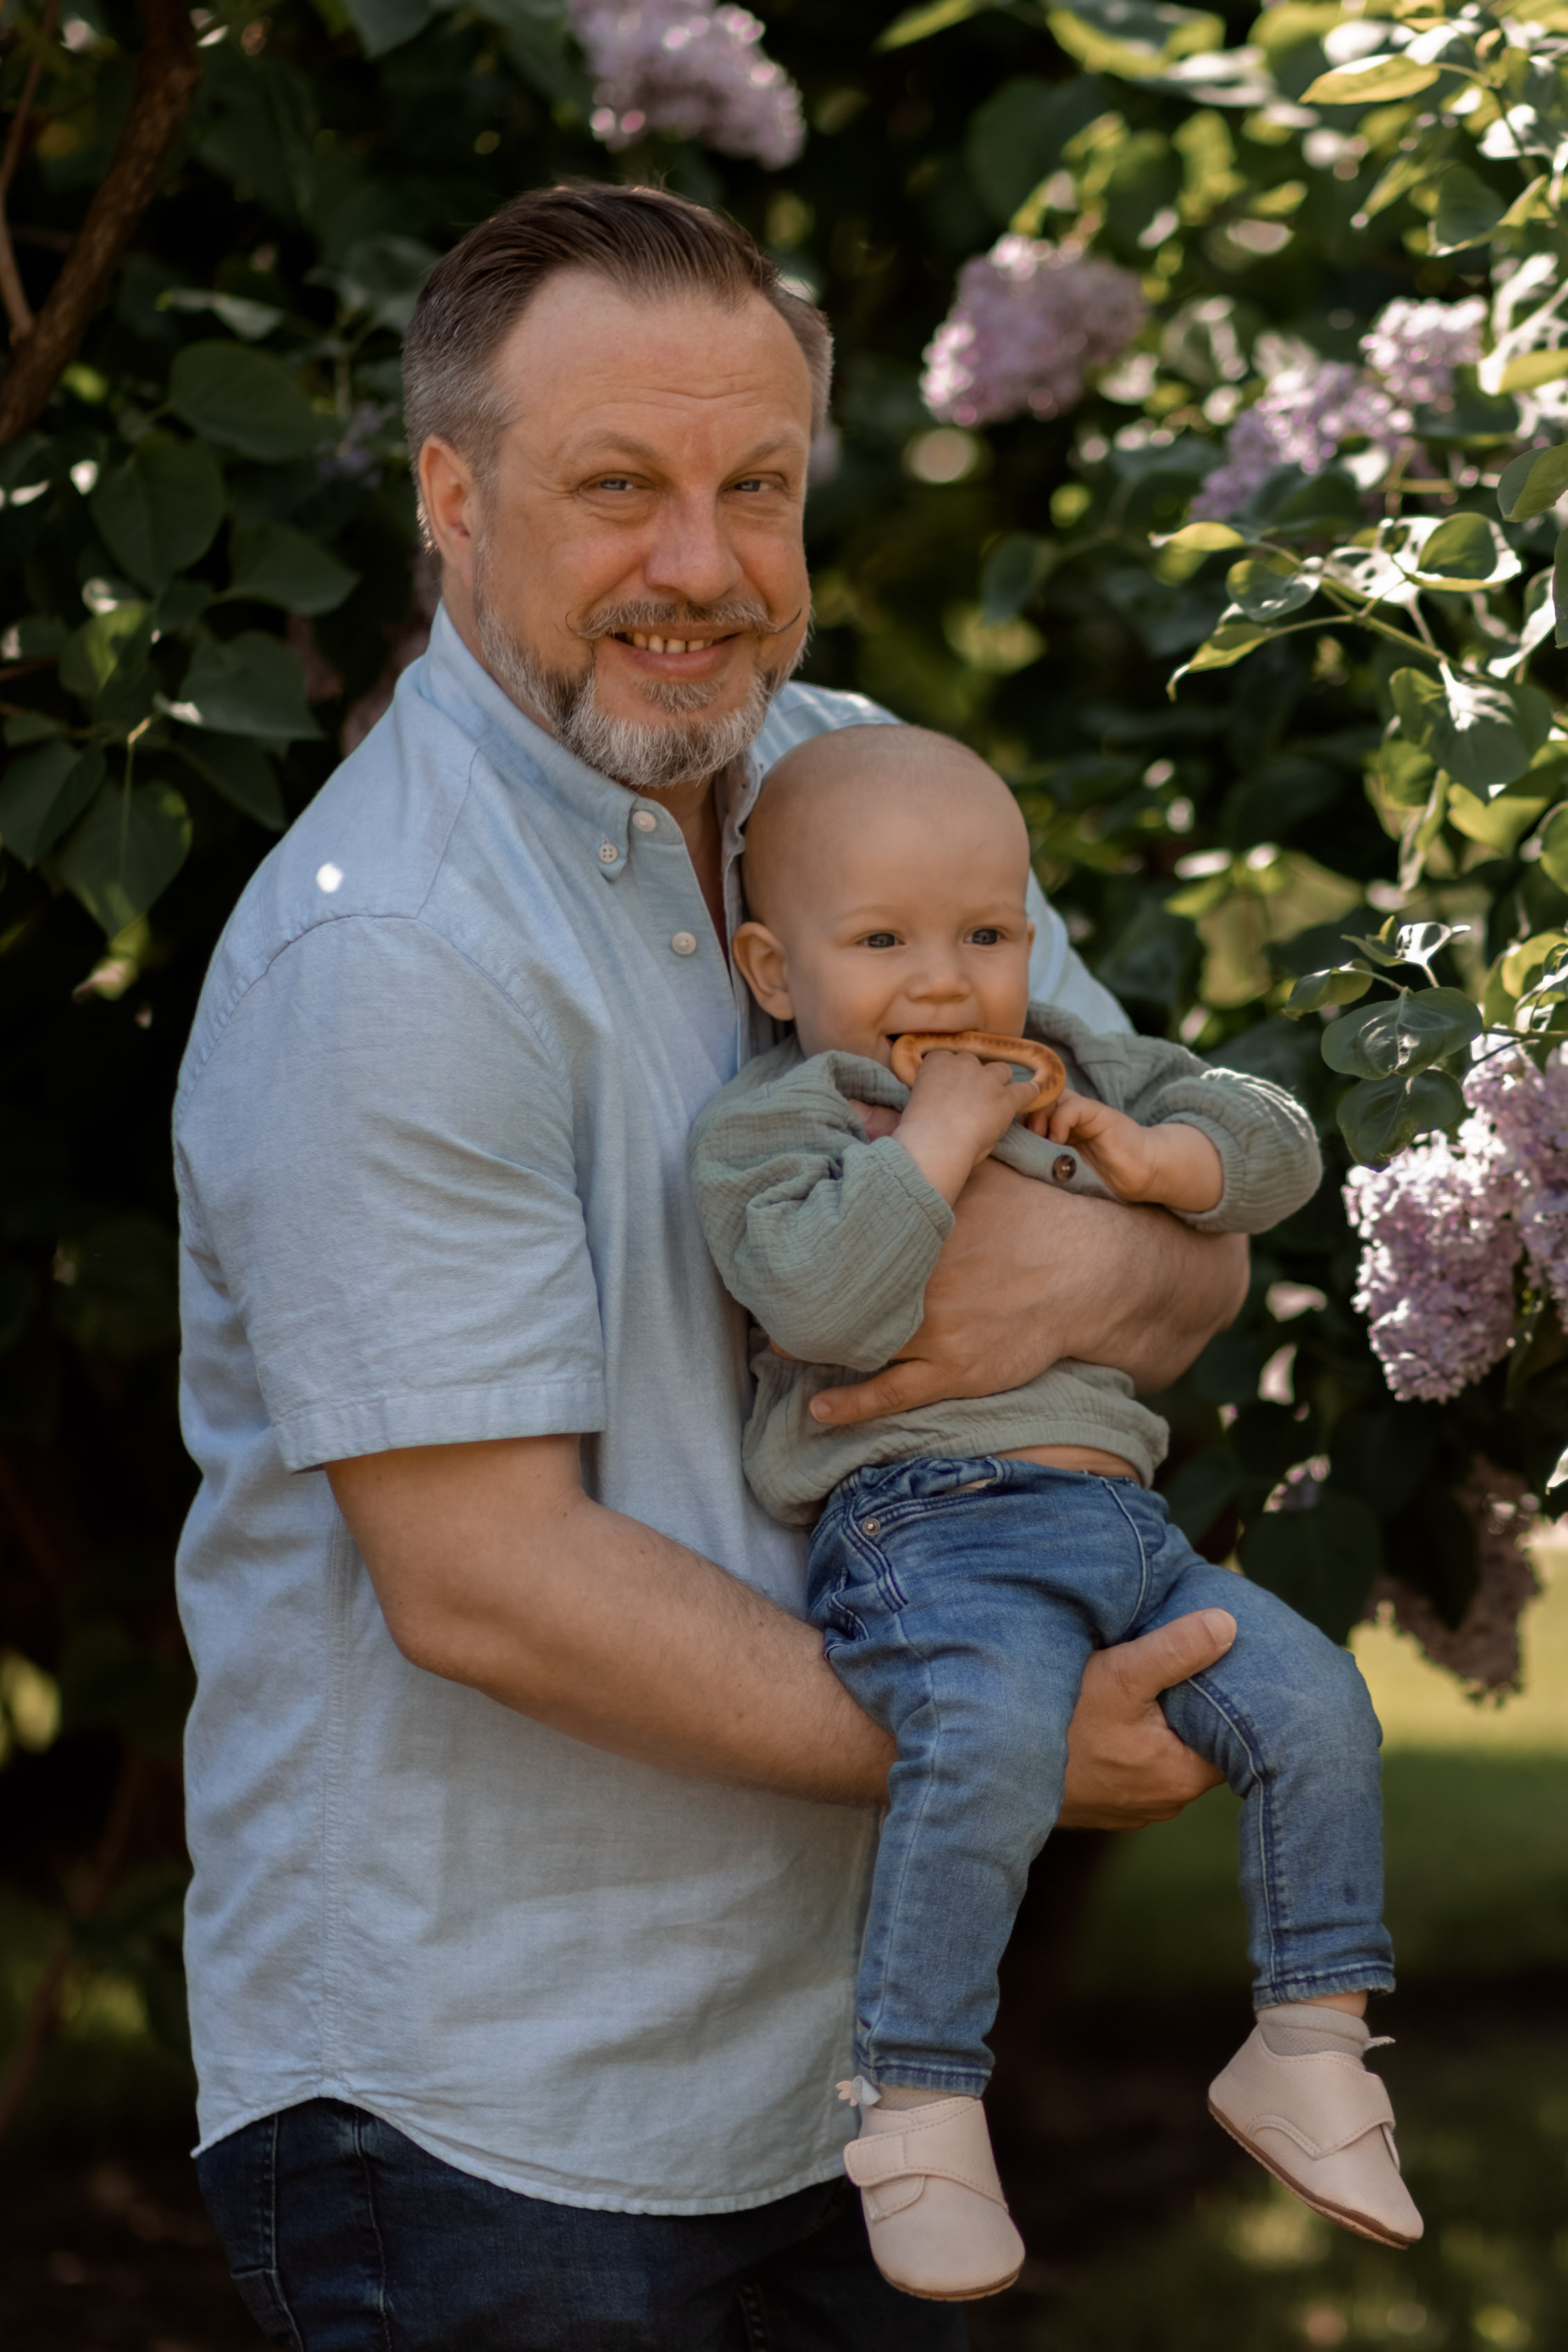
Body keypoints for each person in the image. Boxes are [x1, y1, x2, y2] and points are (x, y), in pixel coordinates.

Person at [175, 183, 1253, 2351]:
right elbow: (485, 1576)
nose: (700, 564)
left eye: (752, 486)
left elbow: (1187, 1243)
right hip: (481, 2114)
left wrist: (1062, 1271)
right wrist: (999, 1733)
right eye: (618, 488)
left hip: (836, 2077)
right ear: (451, 499)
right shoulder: (390, 948)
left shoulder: (850, 791)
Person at [689, 724, 1420, 2304]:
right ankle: (920, 2108)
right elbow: (821, 1299)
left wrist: (1164, 1151)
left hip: (1120, 1526)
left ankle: (1308, 2045)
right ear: (770, 960)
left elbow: (1277, 1142)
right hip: (918, 1525)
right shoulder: (780, 1122)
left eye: (987, 934)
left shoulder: (1065, 1066)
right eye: (881, 940)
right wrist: (942, 1144)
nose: (943, 981)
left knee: (1316, 1703)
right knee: (992, 1734)